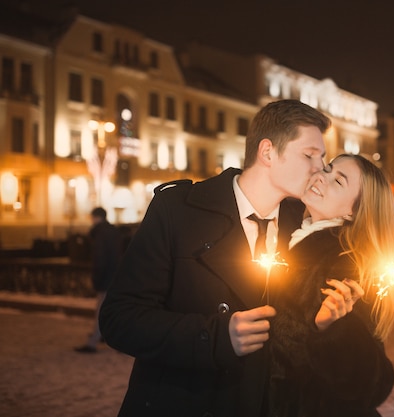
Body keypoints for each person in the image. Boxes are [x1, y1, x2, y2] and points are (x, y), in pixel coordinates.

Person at [99, 99, 330, 417]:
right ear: (267, 152)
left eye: (323, 157)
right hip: (185, 403)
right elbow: (119, 319)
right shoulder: (179, 210)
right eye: (309, 155)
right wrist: (214, 337)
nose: (320, 168)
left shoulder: (304, 228)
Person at [269, 154, 394, 417]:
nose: (321, 178)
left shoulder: (347, 264)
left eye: (338, 182)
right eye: (327, 169)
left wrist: (332, 330)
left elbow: (370, 384)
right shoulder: (293, 235)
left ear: (353, 210)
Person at [74, 207, 123, 353]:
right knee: (109, 309)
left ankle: (93, 342)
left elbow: (99, 258)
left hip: (106, 276)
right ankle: (102, 336)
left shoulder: (100, 233)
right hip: (115, 275)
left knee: (101, 310)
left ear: (95, 217)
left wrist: (97, 278)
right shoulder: (114, 231)